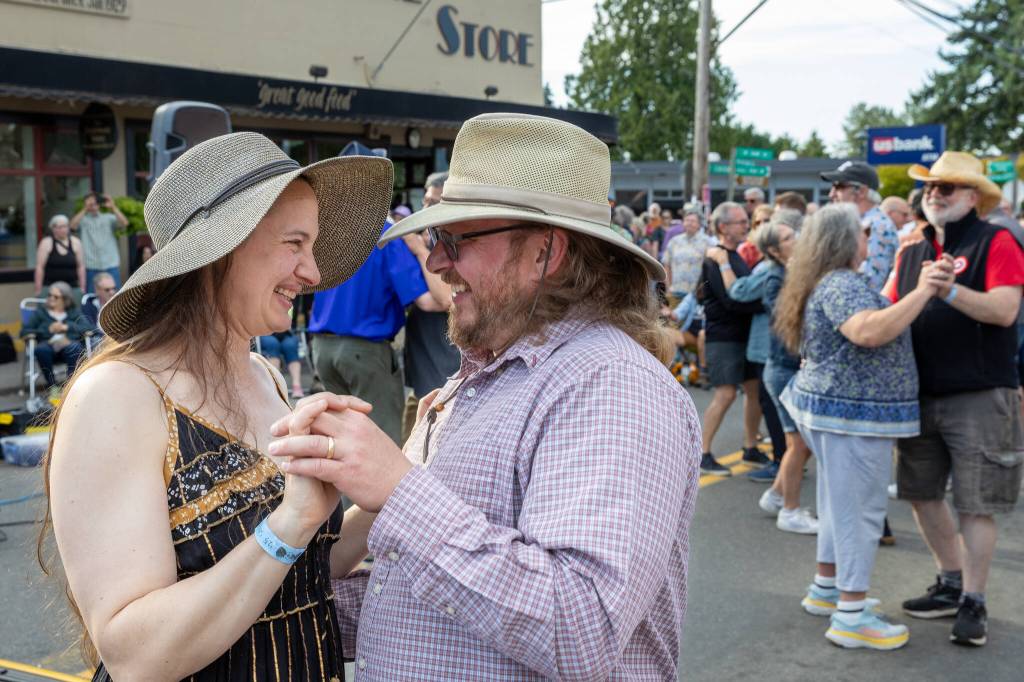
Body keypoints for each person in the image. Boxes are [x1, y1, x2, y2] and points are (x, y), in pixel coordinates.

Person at [268, 112, 702, 679]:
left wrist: (397, 489)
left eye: (455, 239)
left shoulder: (609, 384)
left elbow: (581, 628)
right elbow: (441, 601)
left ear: (547, 252)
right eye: (434, 239)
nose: (437, 261)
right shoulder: (494, 373)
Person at [41, 131, 393, 679]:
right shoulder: (117, 395)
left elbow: (305, 568)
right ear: (222, 248)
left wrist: (386, 488)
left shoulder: (264, 374)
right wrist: (290, 523)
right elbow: (133, 656)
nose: (314, 273)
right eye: (295, 244)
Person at [774, 203, 949, 650]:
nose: (870, 239)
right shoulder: (841, 284)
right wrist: (924, 291)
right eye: (864, 232)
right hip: (851, 417)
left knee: (838, 507)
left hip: (839, 413)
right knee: (859, 514)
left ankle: (829, 590)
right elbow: (869, 331)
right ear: (846, 241)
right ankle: (851, 615)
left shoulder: (831, 282)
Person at [885, 152, 1024, 648]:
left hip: (979, 394)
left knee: (975, 504)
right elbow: (889, 306)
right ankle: (949, 580)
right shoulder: (911, 249)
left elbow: (1005, 311)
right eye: (931, 186)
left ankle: (975, 600)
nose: (935, 193)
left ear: (973, 197)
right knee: (921, 495)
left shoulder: (996, 240)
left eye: (948, 186)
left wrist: (949, 293)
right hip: (919, 394)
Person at [308, 147, 449, 445]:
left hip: (321, 350)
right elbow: (431, 301)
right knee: (379, 443)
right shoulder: (386, 234)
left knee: (337, 441)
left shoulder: (324, 228)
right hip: (365, 353)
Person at [744, 211, 818, 533]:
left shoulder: (792, 271)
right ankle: (789, 510)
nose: (797, 240)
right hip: (783, 368)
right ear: (774, 250)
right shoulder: (775, 276)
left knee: (802, 442)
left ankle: (776, 495)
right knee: (798, 444)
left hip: (790, 366)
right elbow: (782, 317)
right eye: (789, 238)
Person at [699, 201, 771, 475]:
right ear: (723, 227)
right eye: (741, 221)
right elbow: (732, 300)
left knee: (753, 392)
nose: (746, 225)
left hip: (745, 335)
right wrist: (763, 304)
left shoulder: (736, 256)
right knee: (726, 393)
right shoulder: (715, 258)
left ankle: (750, 447)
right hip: (724, 336)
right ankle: (702, 453)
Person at [401, 171, 458, 441]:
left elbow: (446, 298)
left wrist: (421, 252)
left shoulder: (449, 245)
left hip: (442, 370)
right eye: (425, 201)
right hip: (420, 367)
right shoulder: (423, 240)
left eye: (434, 203)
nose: (426, 209)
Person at [820, 161, 898, 291]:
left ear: (861, 191)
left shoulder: (877, 226)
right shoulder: (862, 222)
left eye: (838, 186)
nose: (831, 194)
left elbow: (869, 285)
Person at [21, 280, 92, 391]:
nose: (51, 298)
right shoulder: (40, 313)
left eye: (56, 296)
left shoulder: (73, 313)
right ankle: (52, 386)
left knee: (75, 347)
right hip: (48, 347)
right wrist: (47, 329)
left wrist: (67, 327)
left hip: (68, 345)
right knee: (41, 350)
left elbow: (89, 327)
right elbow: (25, 331)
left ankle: (70, 386)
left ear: (65, 299)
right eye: (49, 295)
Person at [70, 192, 128, 293]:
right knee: (92, 296)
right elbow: (72, 226)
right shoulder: (83, 220)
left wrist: (113, 207)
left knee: (114, 296)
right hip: (90, 265)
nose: (93, 206)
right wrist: (85, 209)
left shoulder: (108, 218)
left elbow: (124, 223)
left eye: (95, 203)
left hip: (110, 263)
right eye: (90, 204)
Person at [662, 209, 713, 304]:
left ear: (699, 225)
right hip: (675, 292)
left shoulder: (707, 242)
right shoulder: (674, 241)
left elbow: (710, 268)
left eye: (693, 221)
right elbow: (666, 265)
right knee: (673, 318)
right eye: (687, 220)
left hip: (696, 295)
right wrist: (668, 289)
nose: (689, 223)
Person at [34, 214, 85, 295]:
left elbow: (81, 266)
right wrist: (38, 289)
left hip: (72, 286)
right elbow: (40, 267)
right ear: (53, 228)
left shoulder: (76, 242)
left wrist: (82, 287)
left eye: (65, 226)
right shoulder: (46, 243)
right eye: (60, 227)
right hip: (50, 286)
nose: (63, 229)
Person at [258, 329, 305, 398]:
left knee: (290, 346)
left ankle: (297, 386)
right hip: (266, 333)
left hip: (286, 333)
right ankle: (276, 386)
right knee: (272, 344)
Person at [739, 203, 773, 268]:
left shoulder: (783, 243)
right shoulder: (747, 249)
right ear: (754, 226)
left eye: (767, 221)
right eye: (758, 223)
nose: (762, 225)